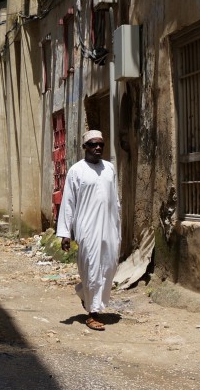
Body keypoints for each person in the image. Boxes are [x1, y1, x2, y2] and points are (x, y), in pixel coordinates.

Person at [57, 130, 121, 331]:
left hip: (110, 226)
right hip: (87, 227)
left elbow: (115, 200)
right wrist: (66, 233)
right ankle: (93, 313)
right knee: (92, 267)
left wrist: (118, 227)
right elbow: (68, 202)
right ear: (85, 147)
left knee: (109, 266)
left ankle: (85, 294)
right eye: (93, 144)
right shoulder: (76, 171)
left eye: (101, 144)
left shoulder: (109, 169)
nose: (98, 148)